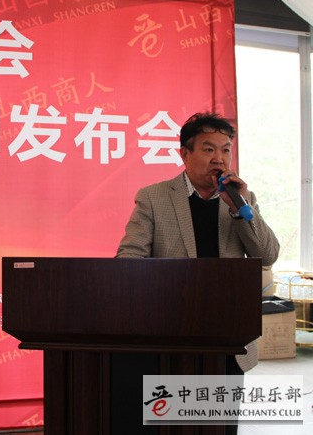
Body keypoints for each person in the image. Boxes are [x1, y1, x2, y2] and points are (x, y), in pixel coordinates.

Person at [116, 111, 279, 434]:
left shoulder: (241, 200)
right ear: (185, 153)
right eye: (208, 149)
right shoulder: (154, 197)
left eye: (226, 149)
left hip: (227, 335)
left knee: (219, 425)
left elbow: (268, 255)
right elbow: (128, 259)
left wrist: (240, 210)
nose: (219, 158)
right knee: (171, 425)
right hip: (171, 333)